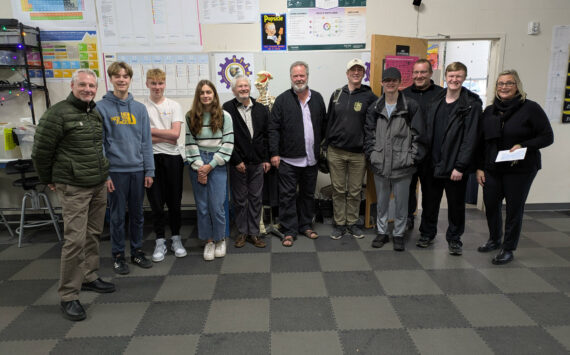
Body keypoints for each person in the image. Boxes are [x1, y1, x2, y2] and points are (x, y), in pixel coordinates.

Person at [32, 68, 115, 321]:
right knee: (74, 241)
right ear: (72, 86)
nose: (88, 89)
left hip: (98, 183)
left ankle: (89, 276)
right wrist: (48, 179)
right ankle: (68, 294)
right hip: (74, 187)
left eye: (92, 86)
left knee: (93, 234)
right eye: (83, 85)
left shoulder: (94, 112)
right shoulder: (57, 114)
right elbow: (41, 151)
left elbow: (98, 147)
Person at [476, 69, 553, 264]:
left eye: (509, 83)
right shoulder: (490, 111)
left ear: (517, 85)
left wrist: (524, 145)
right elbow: (483, 142)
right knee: (491, 205)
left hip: (520, 169)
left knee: (513, 208)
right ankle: (494, 239)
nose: (504, 87)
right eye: (500, 83)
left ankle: (508, 248)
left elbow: (547, 137)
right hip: (493, 168)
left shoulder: (530, 108)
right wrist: (480, 167)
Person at [417, 62, 481, 255]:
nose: (454, 80)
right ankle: (427, 234)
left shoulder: (471, 103)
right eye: (451, 76)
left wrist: (460, 166)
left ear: (464, 78)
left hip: (454, 167)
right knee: (429, 202)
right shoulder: (435, 99)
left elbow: (471, 139)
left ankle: (454, 239)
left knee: (455, 205)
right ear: (445, 77)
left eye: (458, 76)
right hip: (432, 164)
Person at [97, 61, 155, 274]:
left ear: (130, 80)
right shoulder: (101, 108)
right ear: (111, 79)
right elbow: (100, 143)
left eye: (125, 76)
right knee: (118, 216)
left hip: (138, 170)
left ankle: (137, 251)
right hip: (116, 172)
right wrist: (105, 174)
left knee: (138, 214)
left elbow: (146, 142)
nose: (121, 80)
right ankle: (118, 254)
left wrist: (149, 170)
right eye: (117, 76)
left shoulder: (139, 109)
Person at [364, 67, 425, 251]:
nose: (390, 83)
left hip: (403, 165)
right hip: (380, 163)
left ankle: (398, 234)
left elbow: (419, 134)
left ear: (400, 83)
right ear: (382, 83)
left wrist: (412, 157)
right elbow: (368, 134)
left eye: (394, 80)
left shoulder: (410, 106)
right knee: (381, 202)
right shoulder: (375, 107)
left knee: (401, 203)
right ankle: (382, 233)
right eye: (387, 80)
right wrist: (372, 155)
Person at [269, 61, 326, 247]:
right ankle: (289, 230)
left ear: (307, 76)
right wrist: (274, 153)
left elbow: (323, 126)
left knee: (308, 194)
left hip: (311, 159)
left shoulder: (317, 98)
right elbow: (273, 129)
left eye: (302, 75)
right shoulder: (282, 100)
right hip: (288, 159)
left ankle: (305, 225)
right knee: (287, 196)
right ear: (291, 77)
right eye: (295, 76)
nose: (299, 79)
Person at [325, 58, 377, 240]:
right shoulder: (337, 94)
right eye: (352, 70)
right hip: (336, 151)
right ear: (347, 73)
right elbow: (329, 120)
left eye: (359, 70)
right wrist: (325, 145)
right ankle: (340, 224)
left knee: (355, 191)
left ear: (364, 74)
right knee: (338, 190)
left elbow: (375, 124)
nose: (356, 73)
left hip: (358, 154)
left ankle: (352, 223)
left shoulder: (370, 96)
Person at [185, 80, 234, 261]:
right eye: (202, 93)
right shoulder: (190, 116)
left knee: (217, 205)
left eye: (209, 92)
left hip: (217, 163)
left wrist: (209, 166)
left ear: (214, 95)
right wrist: (200, 168)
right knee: (203, 207)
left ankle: (221, 239)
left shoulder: (225, 116)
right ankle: (209, 241)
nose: (206, 95)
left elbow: (228, 144)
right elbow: (190, 144)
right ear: (198, 96)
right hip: (198, 162)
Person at [143, 69, 187, 262]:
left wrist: (152, 132)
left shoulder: (174, 105)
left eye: (160, 83)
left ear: (164, 84)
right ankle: (160, 241)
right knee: (156, 204)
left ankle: (176, 239)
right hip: (151, 158)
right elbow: (142, 138)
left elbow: (175, 135)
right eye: (153, 83)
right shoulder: (141, 107)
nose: (157, 87)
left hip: (173, 158)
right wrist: (164, 133)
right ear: (147, 84)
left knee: (174, 203)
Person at [223, 75, 270, 248]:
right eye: (240, 86)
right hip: (238, 164)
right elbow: (226, 137)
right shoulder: (227, 109)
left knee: (256, 198)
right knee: (240, 199)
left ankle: (254, 233)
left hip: (257, 163)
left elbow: (266, 136)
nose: (243, 89)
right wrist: (236, 160)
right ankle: (243, 232)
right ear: (234, 90)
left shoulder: (261, 109)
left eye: (246, 86)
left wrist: (266, 158)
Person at [402, 58, 444, 231]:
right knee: (406, 192)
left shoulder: (441, 94)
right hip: (409, 153)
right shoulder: (403, 94)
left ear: (430, 73)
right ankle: (407, 221)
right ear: (412, 74)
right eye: (416, 72)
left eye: (423, 72)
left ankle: (428, 231)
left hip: (433, 155)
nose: (419, 76)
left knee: (431, 196)